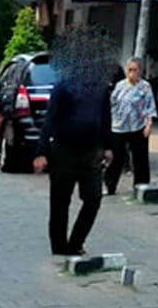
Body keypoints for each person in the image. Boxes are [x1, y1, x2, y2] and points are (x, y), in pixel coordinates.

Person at [33, 32, 114, 258]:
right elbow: (50, 120)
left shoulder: (100, 88)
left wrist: (108, 146)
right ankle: (59, 247)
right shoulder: (63, 87)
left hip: (91, 152)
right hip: (63, 151)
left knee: (93, 199)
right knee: (60, 202)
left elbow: (105, 118)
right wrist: (41, 153)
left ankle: (76, 242)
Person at [105, 57, 157, 196]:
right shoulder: (120, 85)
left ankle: (141, 186)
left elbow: (150, 106)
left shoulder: (145, 86)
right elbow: (112, 104)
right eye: (130, 70)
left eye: (135, 70)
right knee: (116, 158)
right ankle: (110, 186)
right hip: (119, 126)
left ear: (140, 71)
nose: (132, 73)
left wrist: (149, 124)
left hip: (138, 126)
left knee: (140, 158)